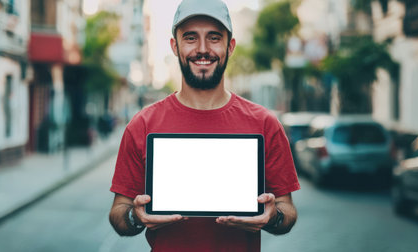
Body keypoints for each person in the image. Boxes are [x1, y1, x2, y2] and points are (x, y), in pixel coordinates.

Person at [109, 0, 300, 251]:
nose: (202, 49)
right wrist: (136, 217)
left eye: (213, 38)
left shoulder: (265, 123)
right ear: (174, 46)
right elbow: (118, 213)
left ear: (230, 46)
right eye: (190, 38)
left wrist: (272, 216)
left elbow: (287, 211)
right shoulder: (143, 124)